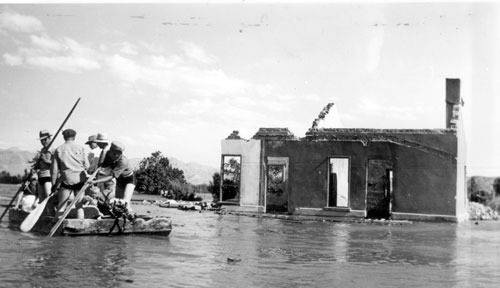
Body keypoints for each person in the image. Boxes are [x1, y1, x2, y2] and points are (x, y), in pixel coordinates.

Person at [51, 129, 89, 218]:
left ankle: (58, 228)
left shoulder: (59, 149)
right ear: (74, 137)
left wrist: (53, 185)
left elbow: (54, 170)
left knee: (61, 206)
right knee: (79, 206)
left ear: (64, 137)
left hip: (66, 180)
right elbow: (87, 165)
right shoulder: (81, 148)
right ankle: (81, 226)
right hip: (80, 180)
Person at [91, 141, 135, 212]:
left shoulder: (123, 162)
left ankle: (131, 218)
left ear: (120, 153)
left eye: (116, 154)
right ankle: (119, 219)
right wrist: (96, 171)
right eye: (113, 153)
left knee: (125, 202)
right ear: (110, 150)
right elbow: (104, 165)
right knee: (118, 203)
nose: (114, 155)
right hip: (120, 179)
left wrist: (95, 181)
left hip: (128, 180)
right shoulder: (108, 154)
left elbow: (112, 176)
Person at [33, 130, 53, 202]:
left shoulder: (53, 149)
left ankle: (51, 213)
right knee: (41, 200)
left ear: (49, 138)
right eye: (41, 140)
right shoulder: (42, 150)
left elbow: (56, 164)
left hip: (49, 177)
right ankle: (43, 213)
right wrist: (37, 165)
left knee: (49, 198)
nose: (43, 142)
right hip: (41, 176)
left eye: (45, 140)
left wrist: (45, 160)